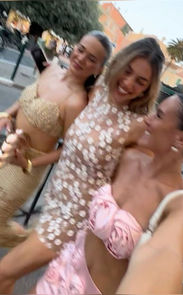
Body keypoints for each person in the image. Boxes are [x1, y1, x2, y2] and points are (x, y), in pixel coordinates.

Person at [0, 37, 165, 293]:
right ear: (118, 65)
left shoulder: (139, 126)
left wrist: (177, 213)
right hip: (53, 203)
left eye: (140, 82)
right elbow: (58, 85)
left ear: (147, 90)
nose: (128, 83)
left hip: (74, 219)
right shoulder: (97, 93)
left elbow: (163, 171)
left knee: (3, 272)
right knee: (10, 278)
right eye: (127, 71)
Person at [29, 93, 183, 294]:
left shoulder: (182, 207)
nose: (148, 119)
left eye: (159, 115)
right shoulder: (129, 158)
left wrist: (182, 236)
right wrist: (29, 162)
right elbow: (81, 152)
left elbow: (166, 250)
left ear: (182, 138)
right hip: (62, 269)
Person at [0, 30, 111, 247]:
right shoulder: (50, 71)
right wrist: (7, 114)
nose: (80, 58)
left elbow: (68, 150)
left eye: (92, 59)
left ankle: (28, 241)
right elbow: (26, 101)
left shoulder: (77, 102)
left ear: (98, 69)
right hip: (6, 149)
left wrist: (28, 162)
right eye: (81, 50)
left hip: (24, 170)